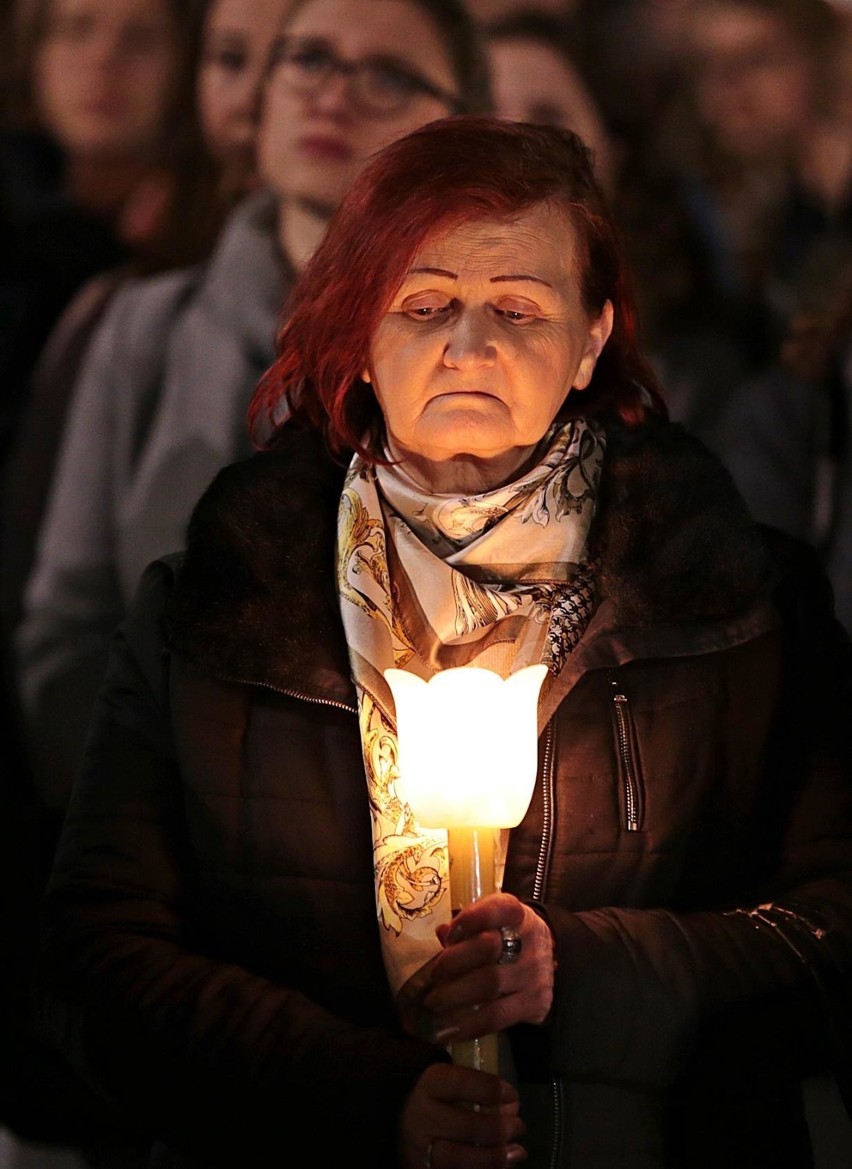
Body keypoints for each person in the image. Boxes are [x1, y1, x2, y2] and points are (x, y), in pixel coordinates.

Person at [35, 116, 852, 1169]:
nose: (470, 346)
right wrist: (368, 1091)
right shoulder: (224, 600)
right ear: (359, 335)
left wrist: (579, 974)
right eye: (426, 305)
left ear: (592, 338)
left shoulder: (735, 597)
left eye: (517, 306)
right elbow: (96, 957)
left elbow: (834, 930)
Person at [14, 0, 490, 819]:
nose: (332, 96)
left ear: (456, 128)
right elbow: (69, 625)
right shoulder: (145, 325)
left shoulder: (483, 354)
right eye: (307, 60)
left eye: (387, 76)